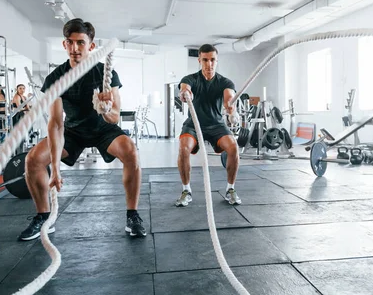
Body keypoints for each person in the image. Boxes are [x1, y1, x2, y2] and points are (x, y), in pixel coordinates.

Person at [18, 18, 146, 241]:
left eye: (81, 43)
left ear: (91, 46)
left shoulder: (106, 73)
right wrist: (55, 167)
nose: (75, 49)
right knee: (33, 160)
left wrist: (105, 109)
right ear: (64, 44)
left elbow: (115, 117)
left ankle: (132, 215)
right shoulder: (56, 78)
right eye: (70, 42)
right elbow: (56, 123)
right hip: (72, 131)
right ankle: (43, 217)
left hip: (103, 129)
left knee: (131, 152)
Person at [175, 44, 241, 207]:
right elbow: (185, 88)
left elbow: (228, 96)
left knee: (233, 147)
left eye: (212, 60)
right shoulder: (191, 78)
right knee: (184, 148)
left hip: (216, 125)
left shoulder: (224, 81)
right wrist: (185, 94)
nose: (209, 64)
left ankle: (230, 189)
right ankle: (186, 191)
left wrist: (230, 105)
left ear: (216, 61)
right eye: (205, 60)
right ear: (199, 60)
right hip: (194, 124)